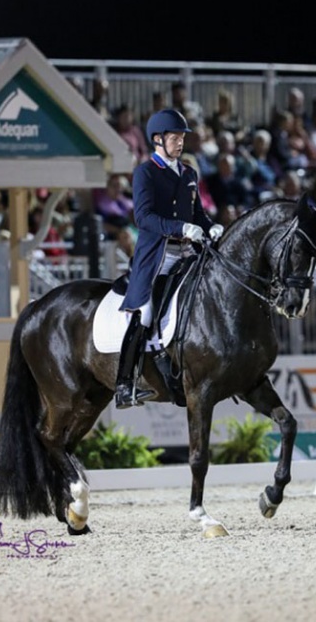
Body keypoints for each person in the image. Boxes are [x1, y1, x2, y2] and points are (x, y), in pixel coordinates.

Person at [115, 109, 224, 409]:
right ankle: (124, 384)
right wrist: (180, 227)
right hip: (158, 256)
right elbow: (144, 218)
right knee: (145, 314)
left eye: (182, 138)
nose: (180, 143)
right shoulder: (145, 173)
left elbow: (197, 214)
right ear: (157, 140)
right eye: (174, 138)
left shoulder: (189, 173)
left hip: (188, 252)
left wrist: (209, 225)